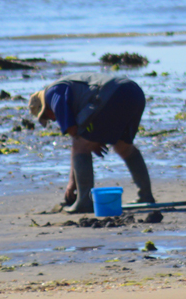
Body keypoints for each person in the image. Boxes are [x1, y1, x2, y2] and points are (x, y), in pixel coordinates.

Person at [28, 72, 154, 213]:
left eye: (47, 116)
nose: (53, 119)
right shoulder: (70, 90)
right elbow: (82, 137)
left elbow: (74, 133)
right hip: (133, 92)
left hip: (112, 93)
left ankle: (84, 201)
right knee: (124, 147)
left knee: (81, 146)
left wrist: (71, 184)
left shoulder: (52, 93)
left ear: (45, 107)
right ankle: (145, 196)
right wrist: (94, 140)